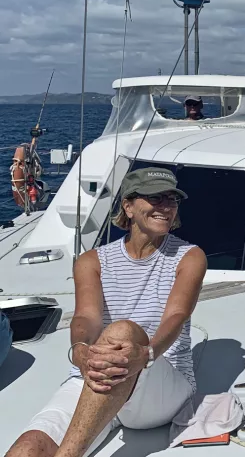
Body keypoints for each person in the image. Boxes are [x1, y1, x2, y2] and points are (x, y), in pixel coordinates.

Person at [6, 168, 207, 457]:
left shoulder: (190, 256)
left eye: (172, 199)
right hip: (100, 376)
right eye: (155, 197)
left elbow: (176, 315)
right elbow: (86, 317)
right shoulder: (92, 261)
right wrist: (80, 351)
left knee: (123, 331)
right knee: (25, 450)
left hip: (159, 381)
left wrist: (147, 354)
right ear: (128, 206)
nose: (166, 206)